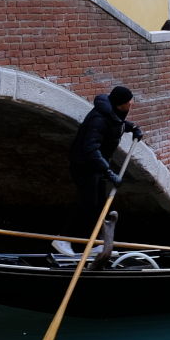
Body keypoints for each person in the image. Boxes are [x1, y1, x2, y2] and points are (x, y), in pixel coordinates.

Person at [68, 85, 141, 232]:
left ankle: (96, 243)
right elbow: (90, 148)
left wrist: (133, 127)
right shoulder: (99, 119)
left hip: (97, 165)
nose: (132, 102)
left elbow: (116, 125)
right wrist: (108, 172)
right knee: (88, 204)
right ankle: (64, 240)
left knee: (100, 204)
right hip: (85, 165)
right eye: (130, 100)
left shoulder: (112, 114)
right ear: (122, 104)